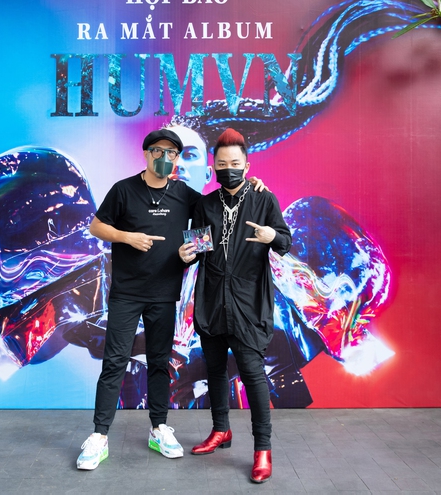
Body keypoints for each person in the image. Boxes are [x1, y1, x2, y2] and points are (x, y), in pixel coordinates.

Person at [77, 128, 266, 471]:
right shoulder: (123, 190)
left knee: (159, 363)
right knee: (114, 362)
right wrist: (126, 237)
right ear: (146, 154)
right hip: (126, 293)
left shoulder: (185, 195)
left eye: (171, 153)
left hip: (164, 295)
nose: (164, 158)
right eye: (157, 151)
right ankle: (99, 435)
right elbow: (96, 227)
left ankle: (159, 428)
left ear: (176, 159)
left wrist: (252, 186)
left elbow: (218, 203)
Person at [178, 127, 291, 483]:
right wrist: (186, 255)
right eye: (223, 164)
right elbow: (198, 250)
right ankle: (220, 430)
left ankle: (262, 449)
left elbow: (285, 242)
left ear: (247, 165)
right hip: (211, 299)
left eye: (235, 163)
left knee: (253, 374)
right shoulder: (205, 205)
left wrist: (272, 235)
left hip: (248, 301)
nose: (229, 169)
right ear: (214, 167)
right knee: (214, 371)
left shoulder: (263, 199)